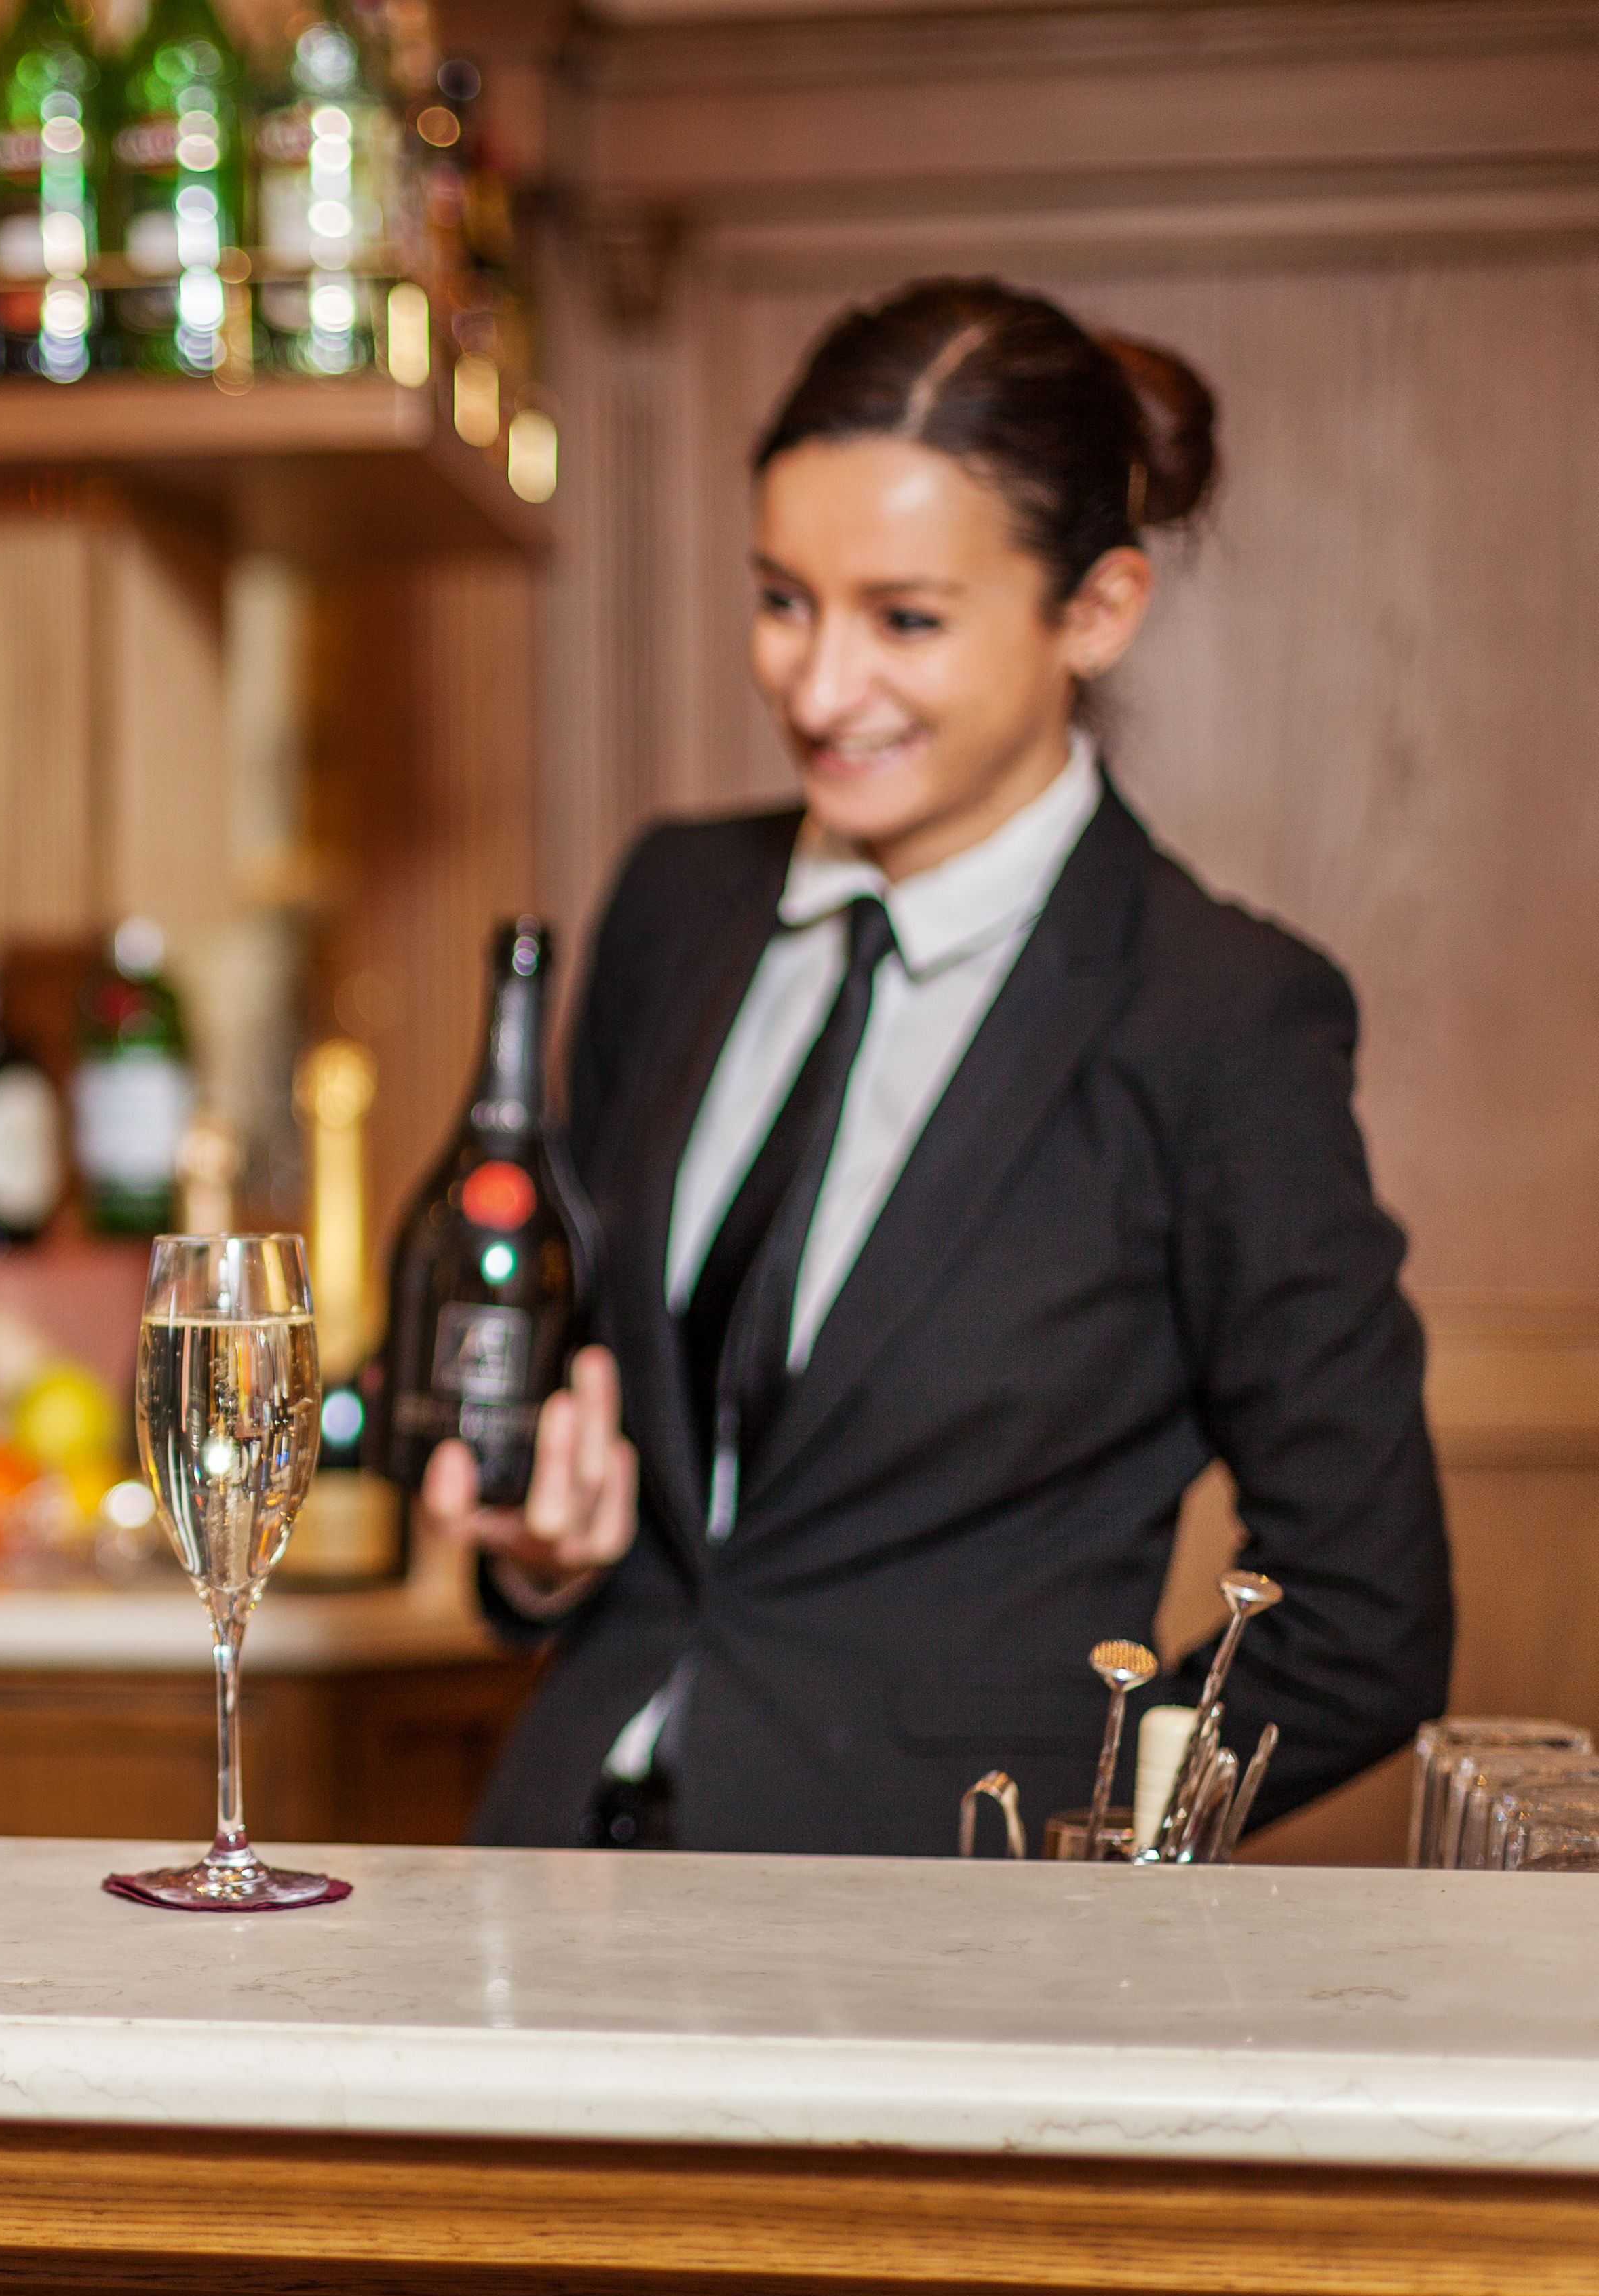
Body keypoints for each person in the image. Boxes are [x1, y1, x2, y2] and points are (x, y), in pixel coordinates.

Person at [416, 277, 1452, 1856]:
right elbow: (598, 1435)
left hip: (934, 1924)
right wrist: (538, 1556)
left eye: (903, 619)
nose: (819, 687)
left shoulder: (1218, 1018)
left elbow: (1367, 1614)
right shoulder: (673, 905)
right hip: (553, 1868)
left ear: (1094, 611)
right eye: (782, 601)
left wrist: (1073, 1850)